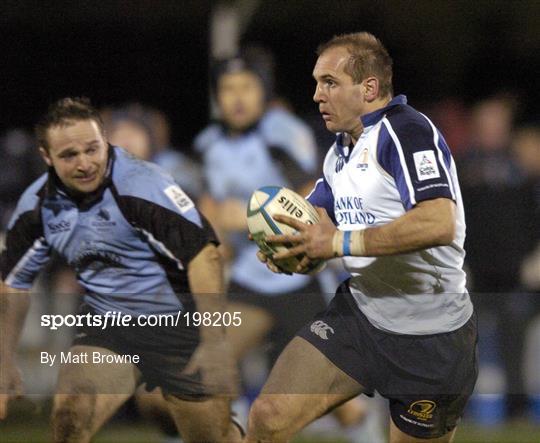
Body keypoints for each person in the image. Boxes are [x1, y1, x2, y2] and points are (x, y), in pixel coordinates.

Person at [247, 32, 478, 442]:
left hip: (432, 335)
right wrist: (293, 247)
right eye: (317, 82)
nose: (318, 95)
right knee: (268, 416)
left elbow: (439, 221)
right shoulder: (340, 150)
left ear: (369, 88)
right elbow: (316, 217)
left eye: (330, 83)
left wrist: (337, 243)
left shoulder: (406, 132)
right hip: (362, 316)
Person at [0, 97, 243, 442]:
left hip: (179, 327)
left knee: (207, 436)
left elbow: (204, 256)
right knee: (71, 415)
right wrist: (5, 361)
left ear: (105, 142)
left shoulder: (142, 186)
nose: (85, 164)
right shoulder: (37, 206)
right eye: (69, 155)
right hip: (109, 327)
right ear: (46, 157)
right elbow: (13, 283)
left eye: (92, 149)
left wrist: (214, 340)